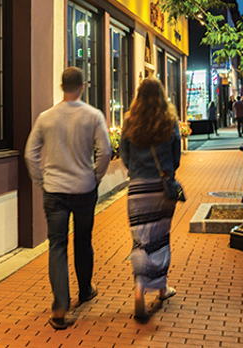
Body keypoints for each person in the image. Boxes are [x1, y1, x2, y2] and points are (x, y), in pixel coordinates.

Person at [24, 67, 112, 330]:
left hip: (54, 191)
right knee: (83, 242)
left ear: (61, 86)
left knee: (57, 246)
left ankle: (60, 306)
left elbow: (30, 154)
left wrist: (41, 180)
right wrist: (94, 176)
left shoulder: (45, 118)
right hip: (84, 189)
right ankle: (85, 289)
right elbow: (105, 151)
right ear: (82, 86)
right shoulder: (93, 116)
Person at [119, 77, 182, 321]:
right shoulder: (169, 121)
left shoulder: (129, 120)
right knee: (160, 238)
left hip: (137, 189)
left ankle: (139, 286)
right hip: (161, 187)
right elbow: (176, 157)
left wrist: (136, 172)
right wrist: (167, 171)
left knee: (141, 241)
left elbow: (124, 155)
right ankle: (162, 287)